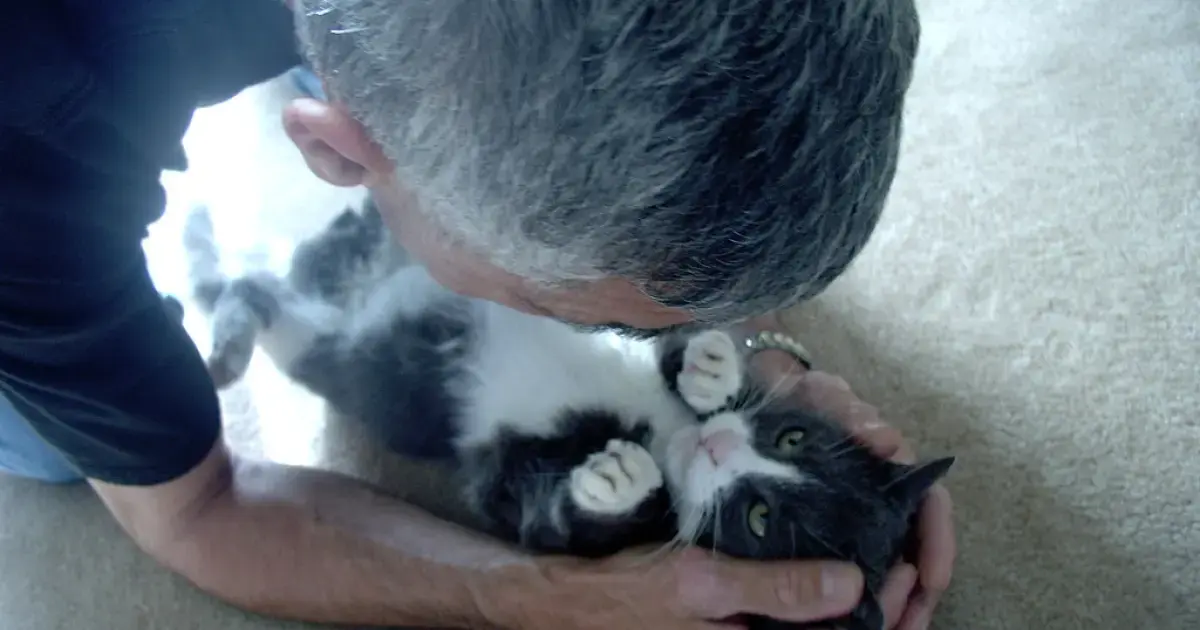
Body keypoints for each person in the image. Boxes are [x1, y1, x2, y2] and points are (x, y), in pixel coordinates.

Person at [0, 1, 954, 629]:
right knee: (62, 449)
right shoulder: (30, 188)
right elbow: (196, 512)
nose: (649, 335)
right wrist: (538, 594)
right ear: (337, 154)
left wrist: (770, 367)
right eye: (595, 319)